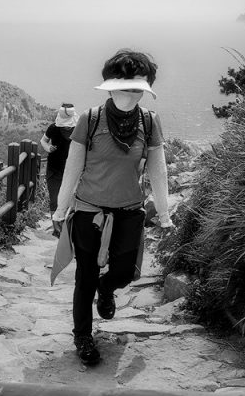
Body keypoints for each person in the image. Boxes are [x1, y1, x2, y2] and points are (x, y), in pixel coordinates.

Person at [51, 50, 173, 365]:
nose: (130, 93)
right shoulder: (89, 120)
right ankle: (83, 337)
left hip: (131, 211)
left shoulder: (149, 122)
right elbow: (72, 169)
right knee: (85, 275)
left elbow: (158, 170)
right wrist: (61, 208)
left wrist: (164, 212)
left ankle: (107, 288)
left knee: (125, 271)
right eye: (125, 85)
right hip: (89, 211)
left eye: (136, 87)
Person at [40, 103, 78, 236]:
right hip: (54, 168)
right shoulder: (53, 128)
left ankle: (67, 226)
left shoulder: (78, 128)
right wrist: (48, 148)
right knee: (54, 197)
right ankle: (56, 228)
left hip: (73, 168)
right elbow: (43, 141)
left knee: (71, 197)